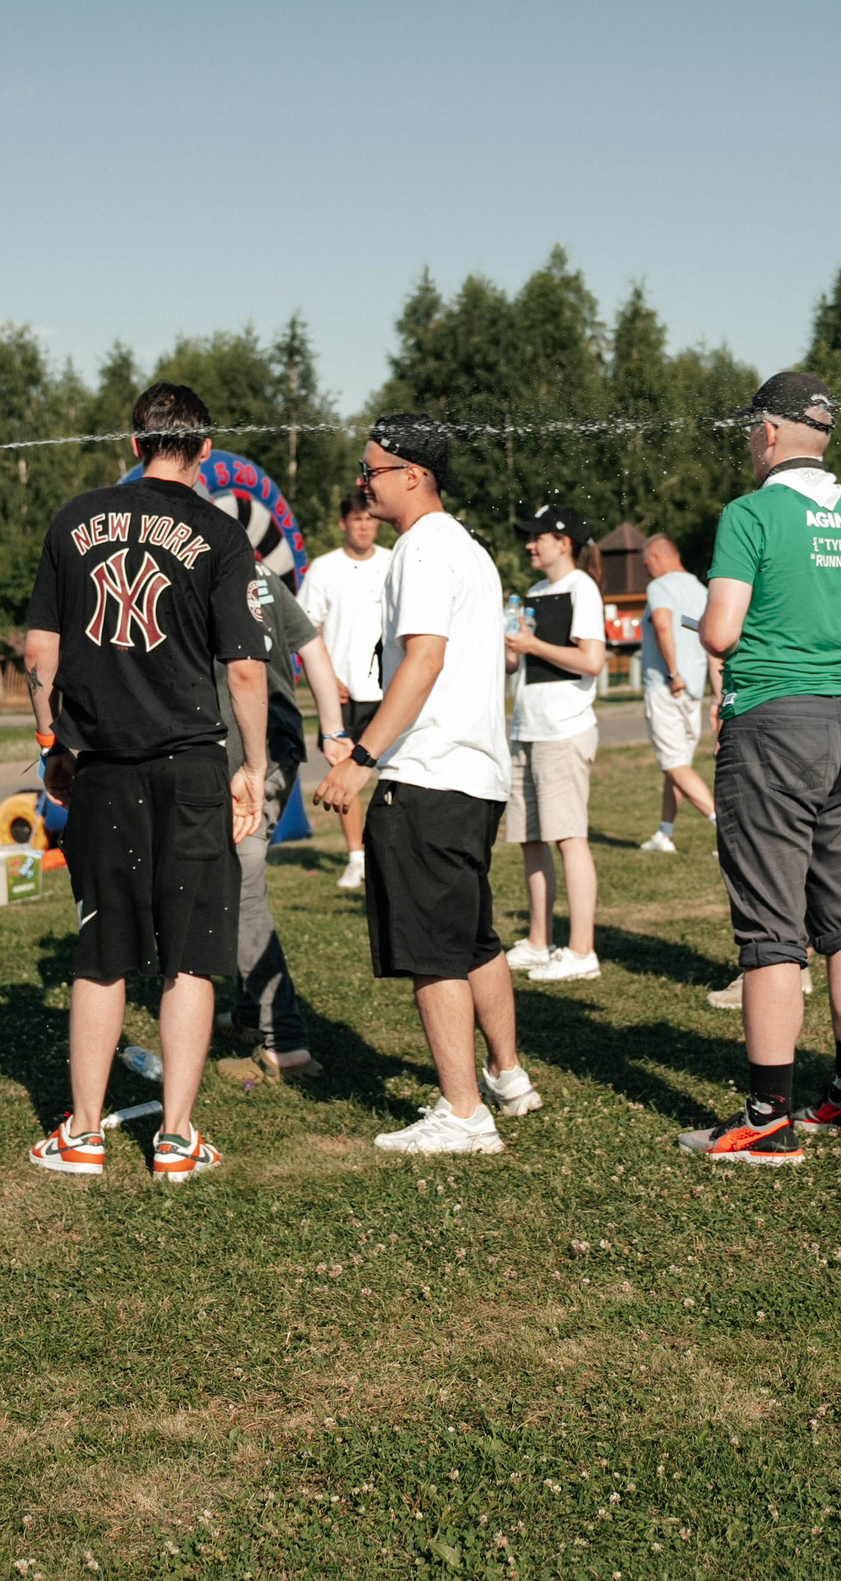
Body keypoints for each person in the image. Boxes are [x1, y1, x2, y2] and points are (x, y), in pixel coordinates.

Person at [22, 382, 268, 1185]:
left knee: (101, 952)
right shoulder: (222, 532)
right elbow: (244, 669)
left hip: (102, 769)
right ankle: (175, 1137)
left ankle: (85, 1133)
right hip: (192, 763)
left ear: (134, 445)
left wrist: (51, 737)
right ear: (204, 450)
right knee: (190, 955)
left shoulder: (72, 518)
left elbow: (39, 653)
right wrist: (253, 767)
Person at [680, 372, 841, 1163]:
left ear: (769, 432)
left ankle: (767, 1116)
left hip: (774, 723)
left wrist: (729, 627)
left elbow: (720, 630)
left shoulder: (750, 514)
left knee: (772, 922)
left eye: (749, 432)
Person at [313, 415, 542, 1152]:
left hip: (429, 773)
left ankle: (463, 1113)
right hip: (476, 774)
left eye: (372, 469)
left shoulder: (420, 547)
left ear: (413, 474)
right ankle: (508, 1075)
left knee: (432, 949)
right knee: (474, 936)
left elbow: (423, 660)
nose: (363, 481)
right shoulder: (470, 548)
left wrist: (364, 756)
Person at [215, 567, 347, 1083]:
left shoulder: (199, 567)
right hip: (283, 746)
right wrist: (331, 728)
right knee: (236, 879)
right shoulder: (259, 572)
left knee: (243, 884)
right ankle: (250, 1012)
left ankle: (285, 1043)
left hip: (242, 755)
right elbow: (311, 646)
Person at [502, 503, 607, 983]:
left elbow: (591, 661)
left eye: (537, 536)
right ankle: (539, 941)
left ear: (563, 542)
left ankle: (582, 951)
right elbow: (517, 663)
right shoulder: (536, 591)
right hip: (527, 727)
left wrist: (532, 647)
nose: (529, 544)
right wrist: (509, 651)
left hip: (564, 730)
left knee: (569, 838)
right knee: (530, 840)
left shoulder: (581, 588)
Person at [298, 495, 390, 889]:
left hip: (389, 691)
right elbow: (305, 630)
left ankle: (389, 855)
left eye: (370, 519)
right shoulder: (324, 569)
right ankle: (356, 857)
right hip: (344, 694)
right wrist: (326, 679)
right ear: (343, 524)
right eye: (357, 519)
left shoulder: (394, 560)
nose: (365, 526)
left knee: (394, 779)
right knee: (343, 774)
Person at [636, 532, 718, 854]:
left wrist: (673, 672)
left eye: (646, 565)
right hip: (693, 692)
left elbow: (662, 624)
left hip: (667, 686)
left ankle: (725, 827)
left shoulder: (660, 587)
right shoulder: (701, 590)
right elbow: (713, 647)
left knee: (673, 764)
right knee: (678, 762)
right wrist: (717, 695)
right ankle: (664, 834)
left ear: (657, 557)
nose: (647, 572)